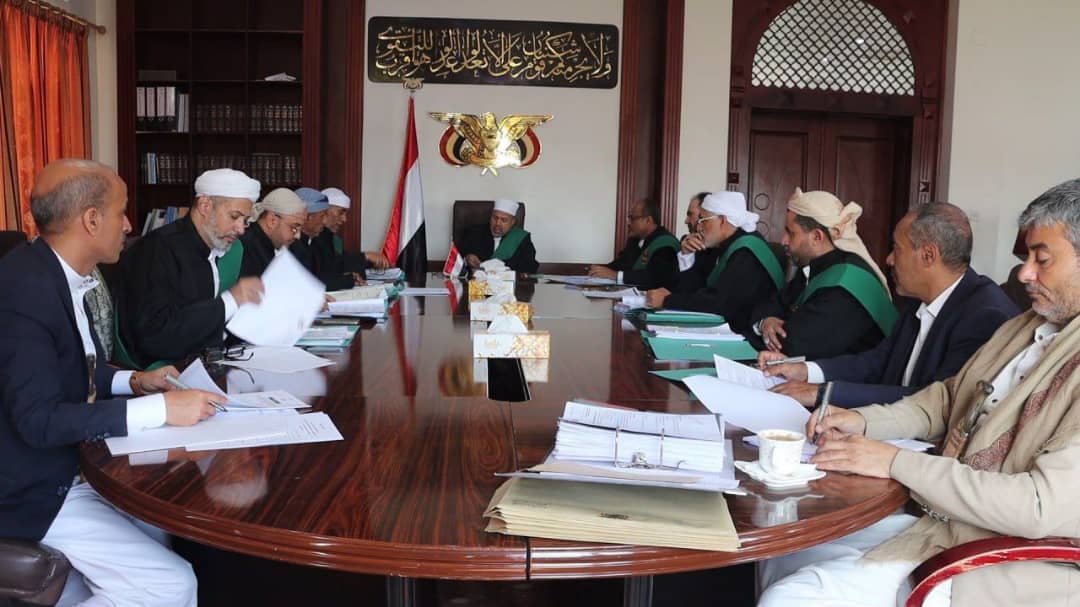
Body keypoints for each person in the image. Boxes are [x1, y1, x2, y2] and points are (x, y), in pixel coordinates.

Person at [759, 178, 1080, 607]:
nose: (1024, 273)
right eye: (1027, 259)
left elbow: (1038, 506)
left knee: (792, 597)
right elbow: (949, 398)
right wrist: (861, 421)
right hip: (948, 522)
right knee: (785, 546)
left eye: (1042, 259)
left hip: (1004, 563)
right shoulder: (1027, 326)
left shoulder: (994, 314)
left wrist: (893, 461)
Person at [0, 159, 225, 606]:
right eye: (121, 212)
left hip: (74, 464)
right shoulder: (24, 291)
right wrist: (162, 409)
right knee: (172, 584)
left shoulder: (58, 273)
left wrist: (136, 382)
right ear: (91, 219)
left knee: (159, 529)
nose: (127, 225)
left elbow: (73, 365)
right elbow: (39, 421)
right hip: (31, 487)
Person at [760, 202, 1019, 408]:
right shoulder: (918, 300)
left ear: (928, 255)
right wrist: (805, 371)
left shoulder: (984, 316)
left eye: (897, 248)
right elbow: (878, 361)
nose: (889, 259)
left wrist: (822, 393)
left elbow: (935, 401)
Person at [117, 168, 264, 368]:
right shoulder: (157, 249)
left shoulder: (225, 248)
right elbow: (156, 337)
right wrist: (230, 301)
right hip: (161, 372)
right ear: (205, 206)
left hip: (210, 362)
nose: (240, 229)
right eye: (234, 216)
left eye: (245, 221)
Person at [747, 188, 895, 359]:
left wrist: (767, 326)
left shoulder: (846, 283)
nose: (783, 241)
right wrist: (765, 322)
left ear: (817, 237)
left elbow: (793, 345)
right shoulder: (813, 267)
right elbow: (768, 305)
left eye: (791, 233)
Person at [645, 192, 784, 335]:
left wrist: (667, 300)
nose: (699, 227)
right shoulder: (720, 246)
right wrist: (687, 256)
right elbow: (696, 288)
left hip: (747, 335)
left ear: (722, 220)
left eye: (703, 220)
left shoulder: (747, 252)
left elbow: (718, 303)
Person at [588, 199, 680, 289]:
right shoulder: (634, 240)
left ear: (648, 220)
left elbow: (656, 277)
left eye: (632, 218)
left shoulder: (666, 245)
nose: (628, 223)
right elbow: (621, 263)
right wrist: (599, 270)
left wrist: (616, 275)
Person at [290, 187, 362, 289]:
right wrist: (346, 280)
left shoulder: (314, 240)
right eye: (322, 215)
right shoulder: (293, 244)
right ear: (308, 217)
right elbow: (308, 283)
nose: (324, 221)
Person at [316, 186, 389, 280]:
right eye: (340, 212)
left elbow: (343, 262)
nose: (344, 219)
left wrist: (371, 262)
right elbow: (333, 265)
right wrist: (365, 256)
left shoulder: (335, 239)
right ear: (324, 211)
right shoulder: (313, 237)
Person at [456, 198, 539, 274]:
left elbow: (530, 266)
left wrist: (500, 268)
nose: (498, 223)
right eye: (495, 218)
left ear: (512, 222)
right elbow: (457, 258)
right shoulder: (474, 233)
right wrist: (466, 259)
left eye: (504, 220)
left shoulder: (521, 238)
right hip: (477, 283)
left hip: (507, 283)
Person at [239, 187, 308, 278]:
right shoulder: (246, 247)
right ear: (272, 221)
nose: (298, 236)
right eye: (294, 228)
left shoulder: (267, 244)